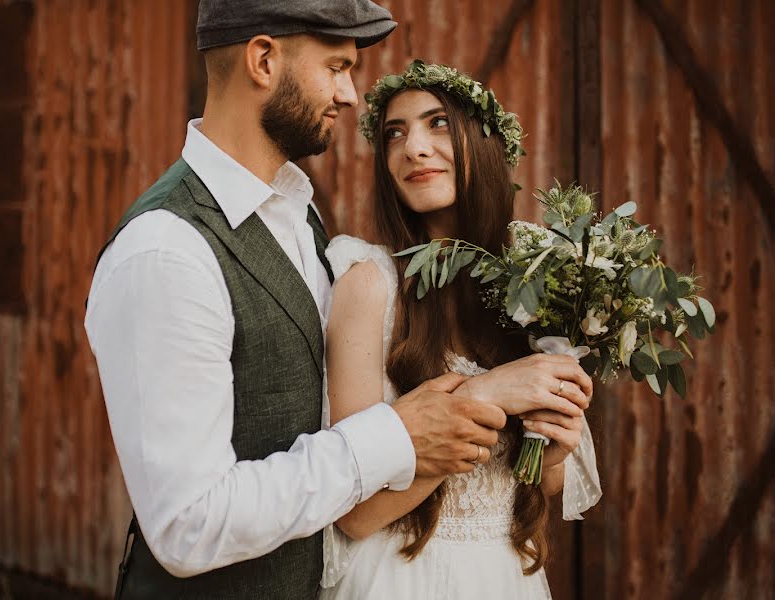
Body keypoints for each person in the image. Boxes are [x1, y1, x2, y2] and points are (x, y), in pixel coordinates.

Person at [84, 4, 530, 599]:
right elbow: (187, 526)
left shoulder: (298, 219)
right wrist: (394, 437)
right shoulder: (166, 250)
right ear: (264, 60)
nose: (350, 95)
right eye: (338, 66)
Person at [318, 61, 603, 599]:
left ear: (485, 142)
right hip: (398, 574)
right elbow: (352, 516)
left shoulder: (542, 282)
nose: (413, 148)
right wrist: (481, 400)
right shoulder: (368, 285)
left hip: (504, 578)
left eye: (437, 124)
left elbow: (542, 489)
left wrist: (555, 449)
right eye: (393, 134)